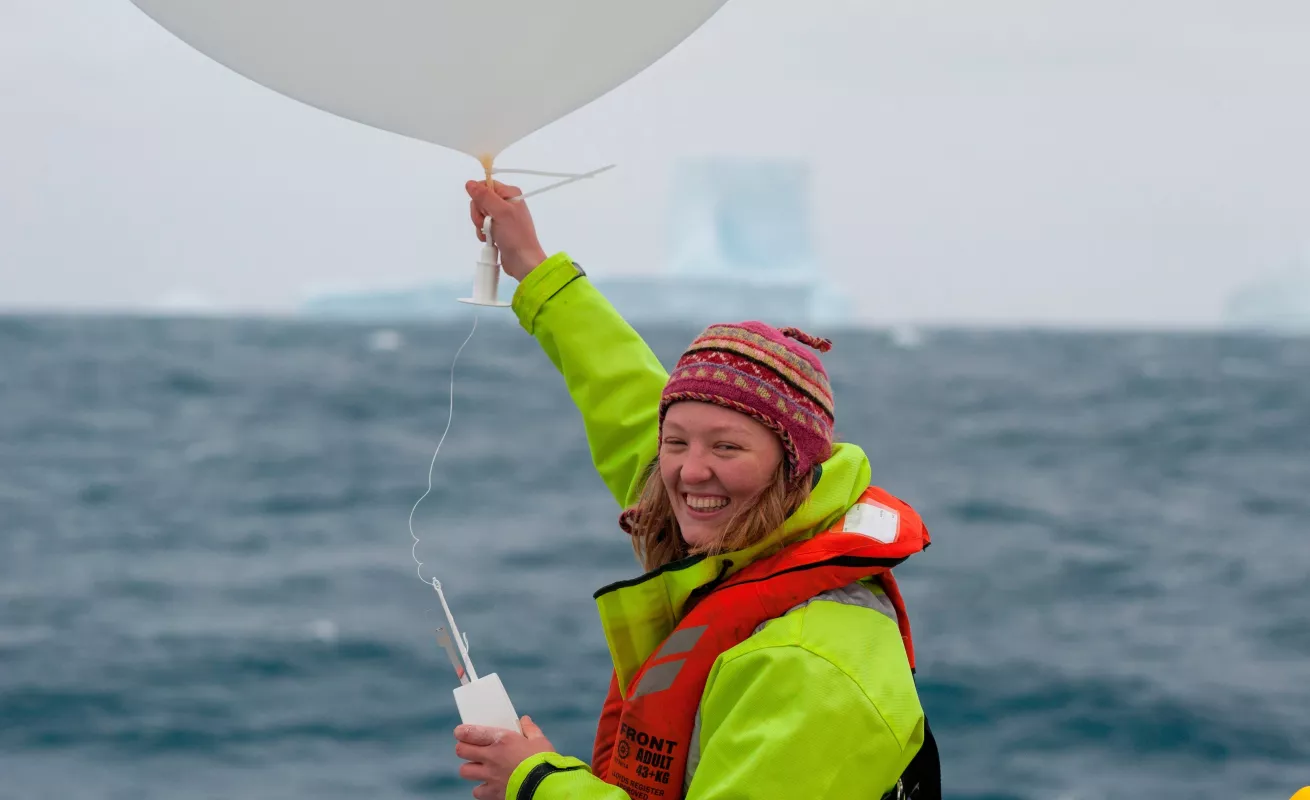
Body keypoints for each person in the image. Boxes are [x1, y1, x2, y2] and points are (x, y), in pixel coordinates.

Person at [452, 180, 940, 800]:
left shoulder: (809, 663)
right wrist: (533, 267)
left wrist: (535, 782)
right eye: (676, 442)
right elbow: (622, 393)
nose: (690, 472)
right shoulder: (736, 516)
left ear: (793, 465)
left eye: (727, 447)